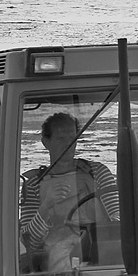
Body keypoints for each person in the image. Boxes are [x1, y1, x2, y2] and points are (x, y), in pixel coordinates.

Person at [19, 112, 120, 265]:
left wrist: (106, 239)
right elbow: (29, 243)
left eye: (72, 138)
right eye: (61, 139)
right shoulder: (33, 184)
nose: (68, 144)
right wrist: (46, 206)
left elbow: (117, 217)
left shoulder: (97, 172)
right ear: (46, 142)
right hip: (58, 252)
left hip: (99, 244)